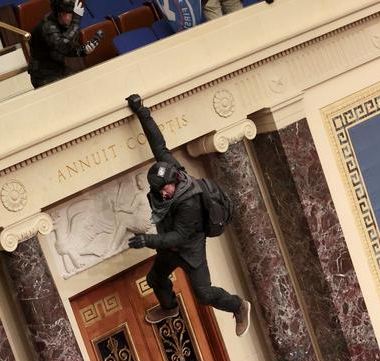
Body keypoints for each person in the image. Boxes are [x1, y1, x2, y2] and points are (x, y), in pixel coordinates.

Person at [125, 94, 252, 337]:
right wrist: (142, 112)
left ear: (174, 181)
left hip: (189, 249)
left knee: (203, 295)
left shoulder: (189, 202)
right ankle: (170, 308)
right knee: (155, 279)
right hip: (169, 248)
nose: (163, 194)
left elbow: (178, 237)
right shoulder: (170, 170)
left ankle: (238, 305)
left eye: (165, 189)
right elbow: (158, 145)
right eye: (158, 190)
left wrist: (147, 241)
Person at [27, 0, 103, 88]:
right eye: (72, 14)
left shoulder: (63, 24)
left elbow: (66, 49)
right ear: (61, 13)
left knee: (82, 84)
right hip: (42, 75)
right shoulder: (48, 26)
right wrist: (76, 22)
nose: (74, 18)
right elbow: (61, 45)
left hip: (58, 67)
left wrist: (82, 50)